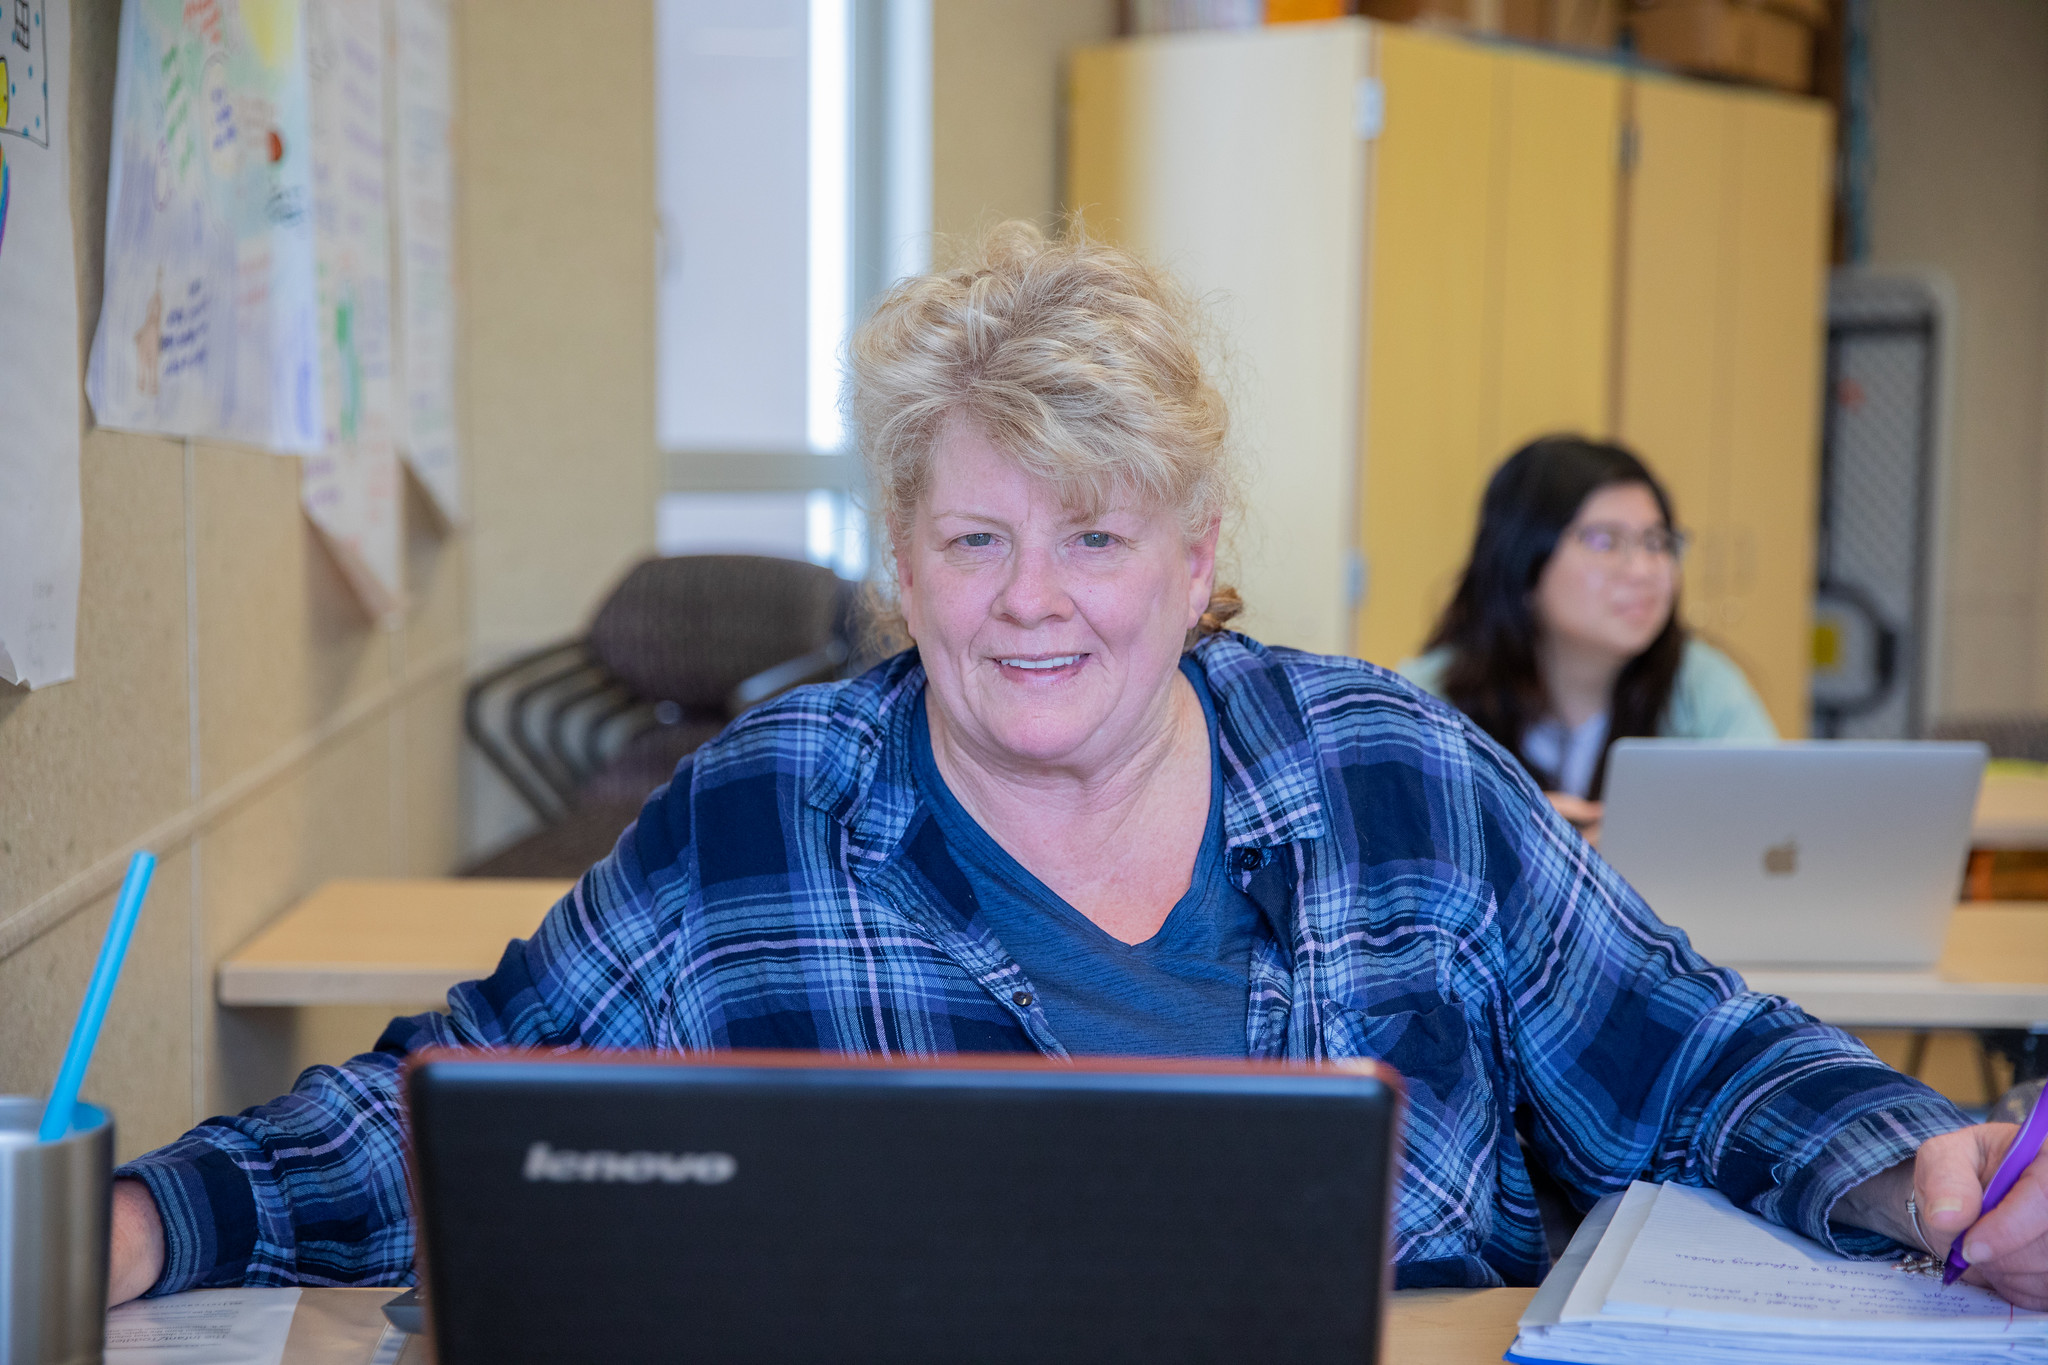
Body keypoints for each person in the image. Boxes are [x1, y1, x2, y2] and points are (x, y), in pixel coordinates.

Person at [108, 225, 2048, 1308]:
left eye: (1098, 537)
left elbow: (1688, 1047)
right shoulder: (765, 812)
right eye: (973, 540)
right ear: (900, 556)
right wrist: (138, 1222)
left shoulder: (1396, 775)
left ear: (1199, 554)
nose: (1032, 604)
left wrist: (1923, 1167)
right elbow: (452, 1106)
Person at [1400, 437, 1774, 844]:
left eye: (1657, 543)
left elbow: (1771, 828)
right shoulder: (1428, 697)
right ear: (1523, 563)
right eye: (1604, 541)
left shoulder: (1700, 683)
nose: (1644, 570)